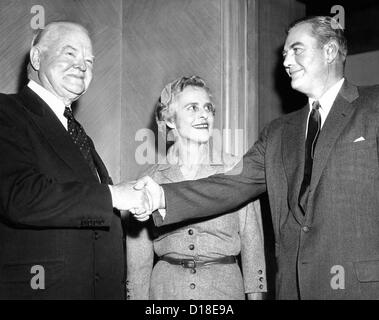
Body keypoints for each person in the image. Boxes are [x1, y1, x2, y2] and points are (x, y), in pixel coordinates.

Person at [133, 16, 379, 300]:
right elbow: (228, 185)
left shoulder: (372, 108)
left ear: (330, 51)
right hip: (294, 289)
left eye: (296, 50)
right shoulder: (278, 132)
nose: (286, 61)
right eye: (285, 54)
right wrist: (161, 197)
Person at [0, 21, 146, 299]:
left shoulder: (76, 131)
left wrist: (131, 198)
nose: (82, 66)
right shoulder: (7, 111)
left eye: (89, 61)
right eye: (70, 54)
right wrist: (113, 196)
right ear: (36, 57)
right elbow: (20, 196)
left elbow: (86, 207)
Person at [126, 76, 266, 300]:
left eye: (208, 108)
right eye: (192, 108)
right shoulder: (149, 180)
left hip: (224, 292)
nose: (204, 115)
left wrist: (256, 296)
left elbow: (253, 245)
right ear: (170, 119)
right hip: (166, 293)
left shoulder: (236, 171)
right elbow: (138, 263)